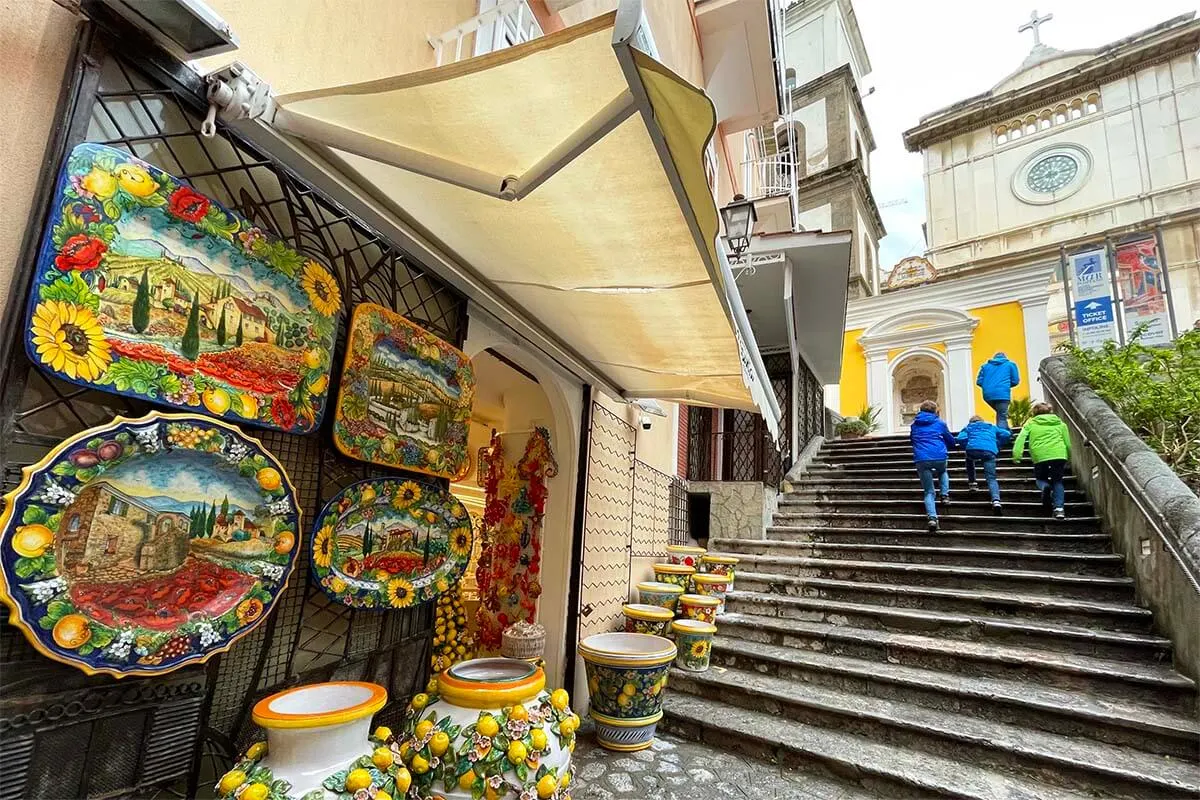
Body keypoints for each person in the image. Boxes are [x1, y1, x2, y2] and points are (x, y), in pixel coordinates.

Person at [1012, 402, 1072, 520]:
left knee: (1040, 478)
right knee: (1058, 481)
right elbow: (1068, 443)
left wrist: (1017, 456)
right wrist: (1068, 457)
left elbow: (1020, 439)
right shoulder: (1060, 424)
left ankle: (1045, 487)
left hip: (1040, 455)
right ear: (1050, 411)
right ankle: (1059, 509)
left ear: (1034, 413)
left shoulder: (1030, 424)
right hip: (1058, 454)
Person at [910, 399, 957, 532]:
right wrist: (951, 445)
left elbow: (912, 439)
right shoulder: (940, 423)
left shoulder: (914, 425)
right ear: (935, 410)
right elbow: (950, 440)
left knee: (929, 492)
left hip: (921, 458)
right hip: (939, 456)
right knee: (942, 471)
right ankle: (944, 495)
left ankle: (932, 518)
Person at [956, 415, 1012, 515]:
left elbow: (960, 438)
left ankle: (972, 483)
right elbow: (1007, 434)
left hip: (973, 450)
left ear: (971, 422)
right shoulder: (991, 426)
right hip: (989, 451)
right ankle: (996, 501)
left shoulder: (968, 427)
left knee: (968, 459)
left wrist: (966, 445)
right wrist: (998, 443)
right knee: (991, 478)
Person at [976, 352, 1020, 430]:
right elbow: (1015, 380)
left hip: (988, 395)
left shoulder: (985, 366)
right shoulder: (1010, 365)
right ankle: (1002, 437)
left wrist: (988, 387)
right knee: (1002, 416)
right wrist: (1005, 386)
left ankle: (1007, 431)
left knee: (1001, 414)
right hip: (1002, 394)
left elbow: (979, 382)